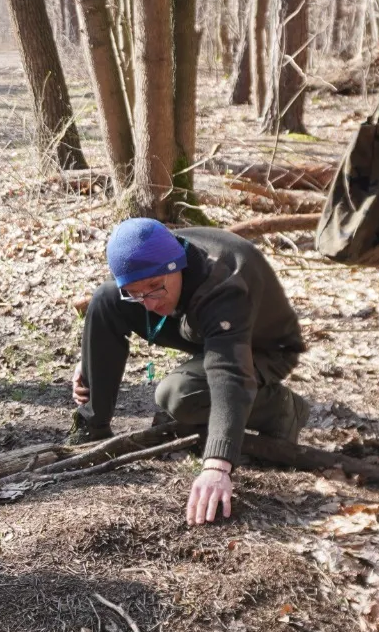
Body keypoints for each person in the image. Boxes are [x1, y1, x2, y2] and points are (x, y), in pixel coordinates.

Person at [69, 219, 311, 525]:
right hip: (200, 327)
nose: (149, 303)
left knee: (178, 395)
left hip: (262, 347)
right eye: (136, 293)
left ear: (176, 266)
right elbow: (120, 295)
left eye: (155, 288)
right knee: (105, 300)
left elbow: (229, 374)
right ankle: (92, 429)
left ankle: (282, 408)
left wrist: (217, 466)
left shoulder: (224, 285)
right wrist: (91, 356)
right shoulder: (145, 257)